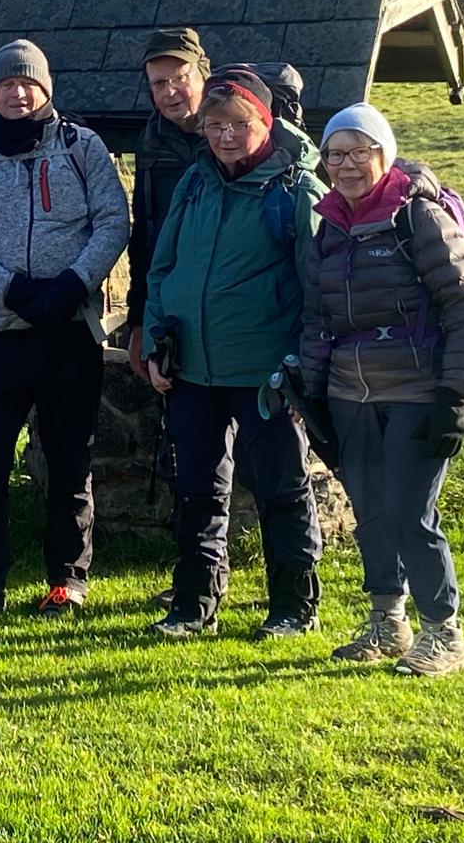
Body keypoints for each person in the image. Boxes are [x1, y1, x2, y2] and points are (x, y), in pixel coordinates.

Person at [301, 103, 464, 676]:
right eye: (336, 154)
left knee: (412, 512)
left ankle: (443, 633)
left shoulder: (418, 218)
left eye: (361, 151)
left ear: (384, 153)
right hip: (348, 394)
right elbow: (316, 319)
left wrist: (455, 396)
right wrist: (312, 398)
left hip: (417, 390)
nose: (348, 165)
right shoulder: (327, 224)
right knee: (371, 512)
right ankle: (387, 621)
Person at [0, 39, 130, 621]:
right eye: (7, 85)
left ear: (46, 90)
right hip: (3, 333)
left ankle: (66, 581)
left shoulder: (82, 148)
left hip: (71, 332)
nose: (18, 94)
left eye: (29, 84)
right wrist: (11, 288)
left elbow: (113, 220)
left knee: (71, 462)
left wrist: (73, 283)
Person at [144, 67, 325, 639]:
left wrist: (303, 366)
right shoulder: (195, 184)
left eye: (237, 124)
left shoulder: (298, 191)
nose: (224, 135)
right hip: (192, 369)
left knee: (281, 488)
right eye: (214, 124)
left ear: (264, 122)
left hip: (267, 372)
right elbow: (162, 267)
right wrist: (153, 340)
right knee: (197, 490)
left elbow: (318, 290)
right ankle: (193, 605)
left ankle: (294, 607)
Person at [125, 28, 210, 380]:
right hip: (172, 309)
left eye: (180, 79)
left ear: (204, 74)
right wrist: (139, 321)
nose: (170, 92)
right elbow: (144, 236)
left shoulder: (236, 135)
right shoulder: (150, 144)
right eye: (159, 84)